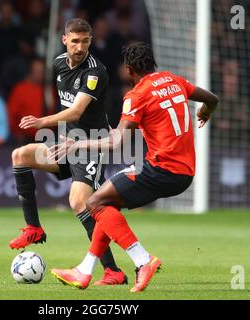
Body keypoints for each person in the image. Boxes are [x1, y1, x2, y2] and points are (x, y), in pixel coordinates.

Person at [50, 42, 219, 292]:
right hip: (185, 173)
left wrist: (78, 144)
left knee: (94, 203)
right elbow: (212, 99)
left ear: (129, 70)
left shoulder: (136, 95)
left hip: (161, 169)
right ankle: (84, 271)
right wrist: (206, 111)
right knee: (106, 204)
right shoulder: (174, 81)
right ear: (152, 63)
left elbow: (116, 142)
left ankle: (143, 260)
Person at [9, 18, 127, 286]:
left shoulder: (96, 72)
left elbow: (76, 111)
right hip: (66, 144)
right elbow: (65, 105)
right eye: (75, 41)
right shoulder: (59, 62)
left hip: (89, 146)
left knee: (79, 203)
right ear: (65, 40)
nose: (80, 47)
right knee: (20, 155)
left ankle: (113, 271)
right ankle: (34, 229)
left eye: (85, 41)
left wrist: (41, 121)